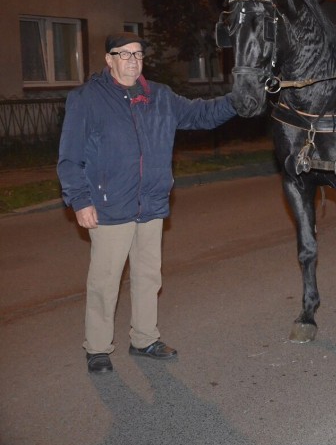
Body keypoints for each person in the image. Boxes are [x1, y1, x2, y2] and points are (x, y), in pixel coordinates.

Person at [57, 32, 237, 373]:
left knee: (148, 276)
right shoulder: (87, 99)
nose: (132, 60)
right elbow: (70, 157)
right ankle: (97, 347)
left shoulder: (159, 96)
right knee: (105, 281)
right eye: (123, 54)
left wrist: (238, 100)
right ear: (108, 59)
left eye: (137, 54)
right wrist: (79, 200)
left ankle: (144, 338)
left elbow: (201, 115)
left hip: (151, 203)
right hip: (110, 205)